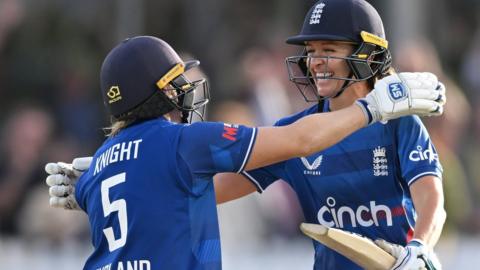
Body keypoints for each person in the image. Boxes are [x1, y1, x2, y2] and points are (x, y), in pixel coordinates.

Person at [45, 33, 444, 270]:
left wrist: (87, 193)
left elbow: (166, 196)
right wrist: (372, 107)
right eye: (176, 83)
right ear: (158, 93)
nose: (186, 90)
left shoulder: (98, 167)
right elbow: (299, 141)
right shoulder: (186, 143)